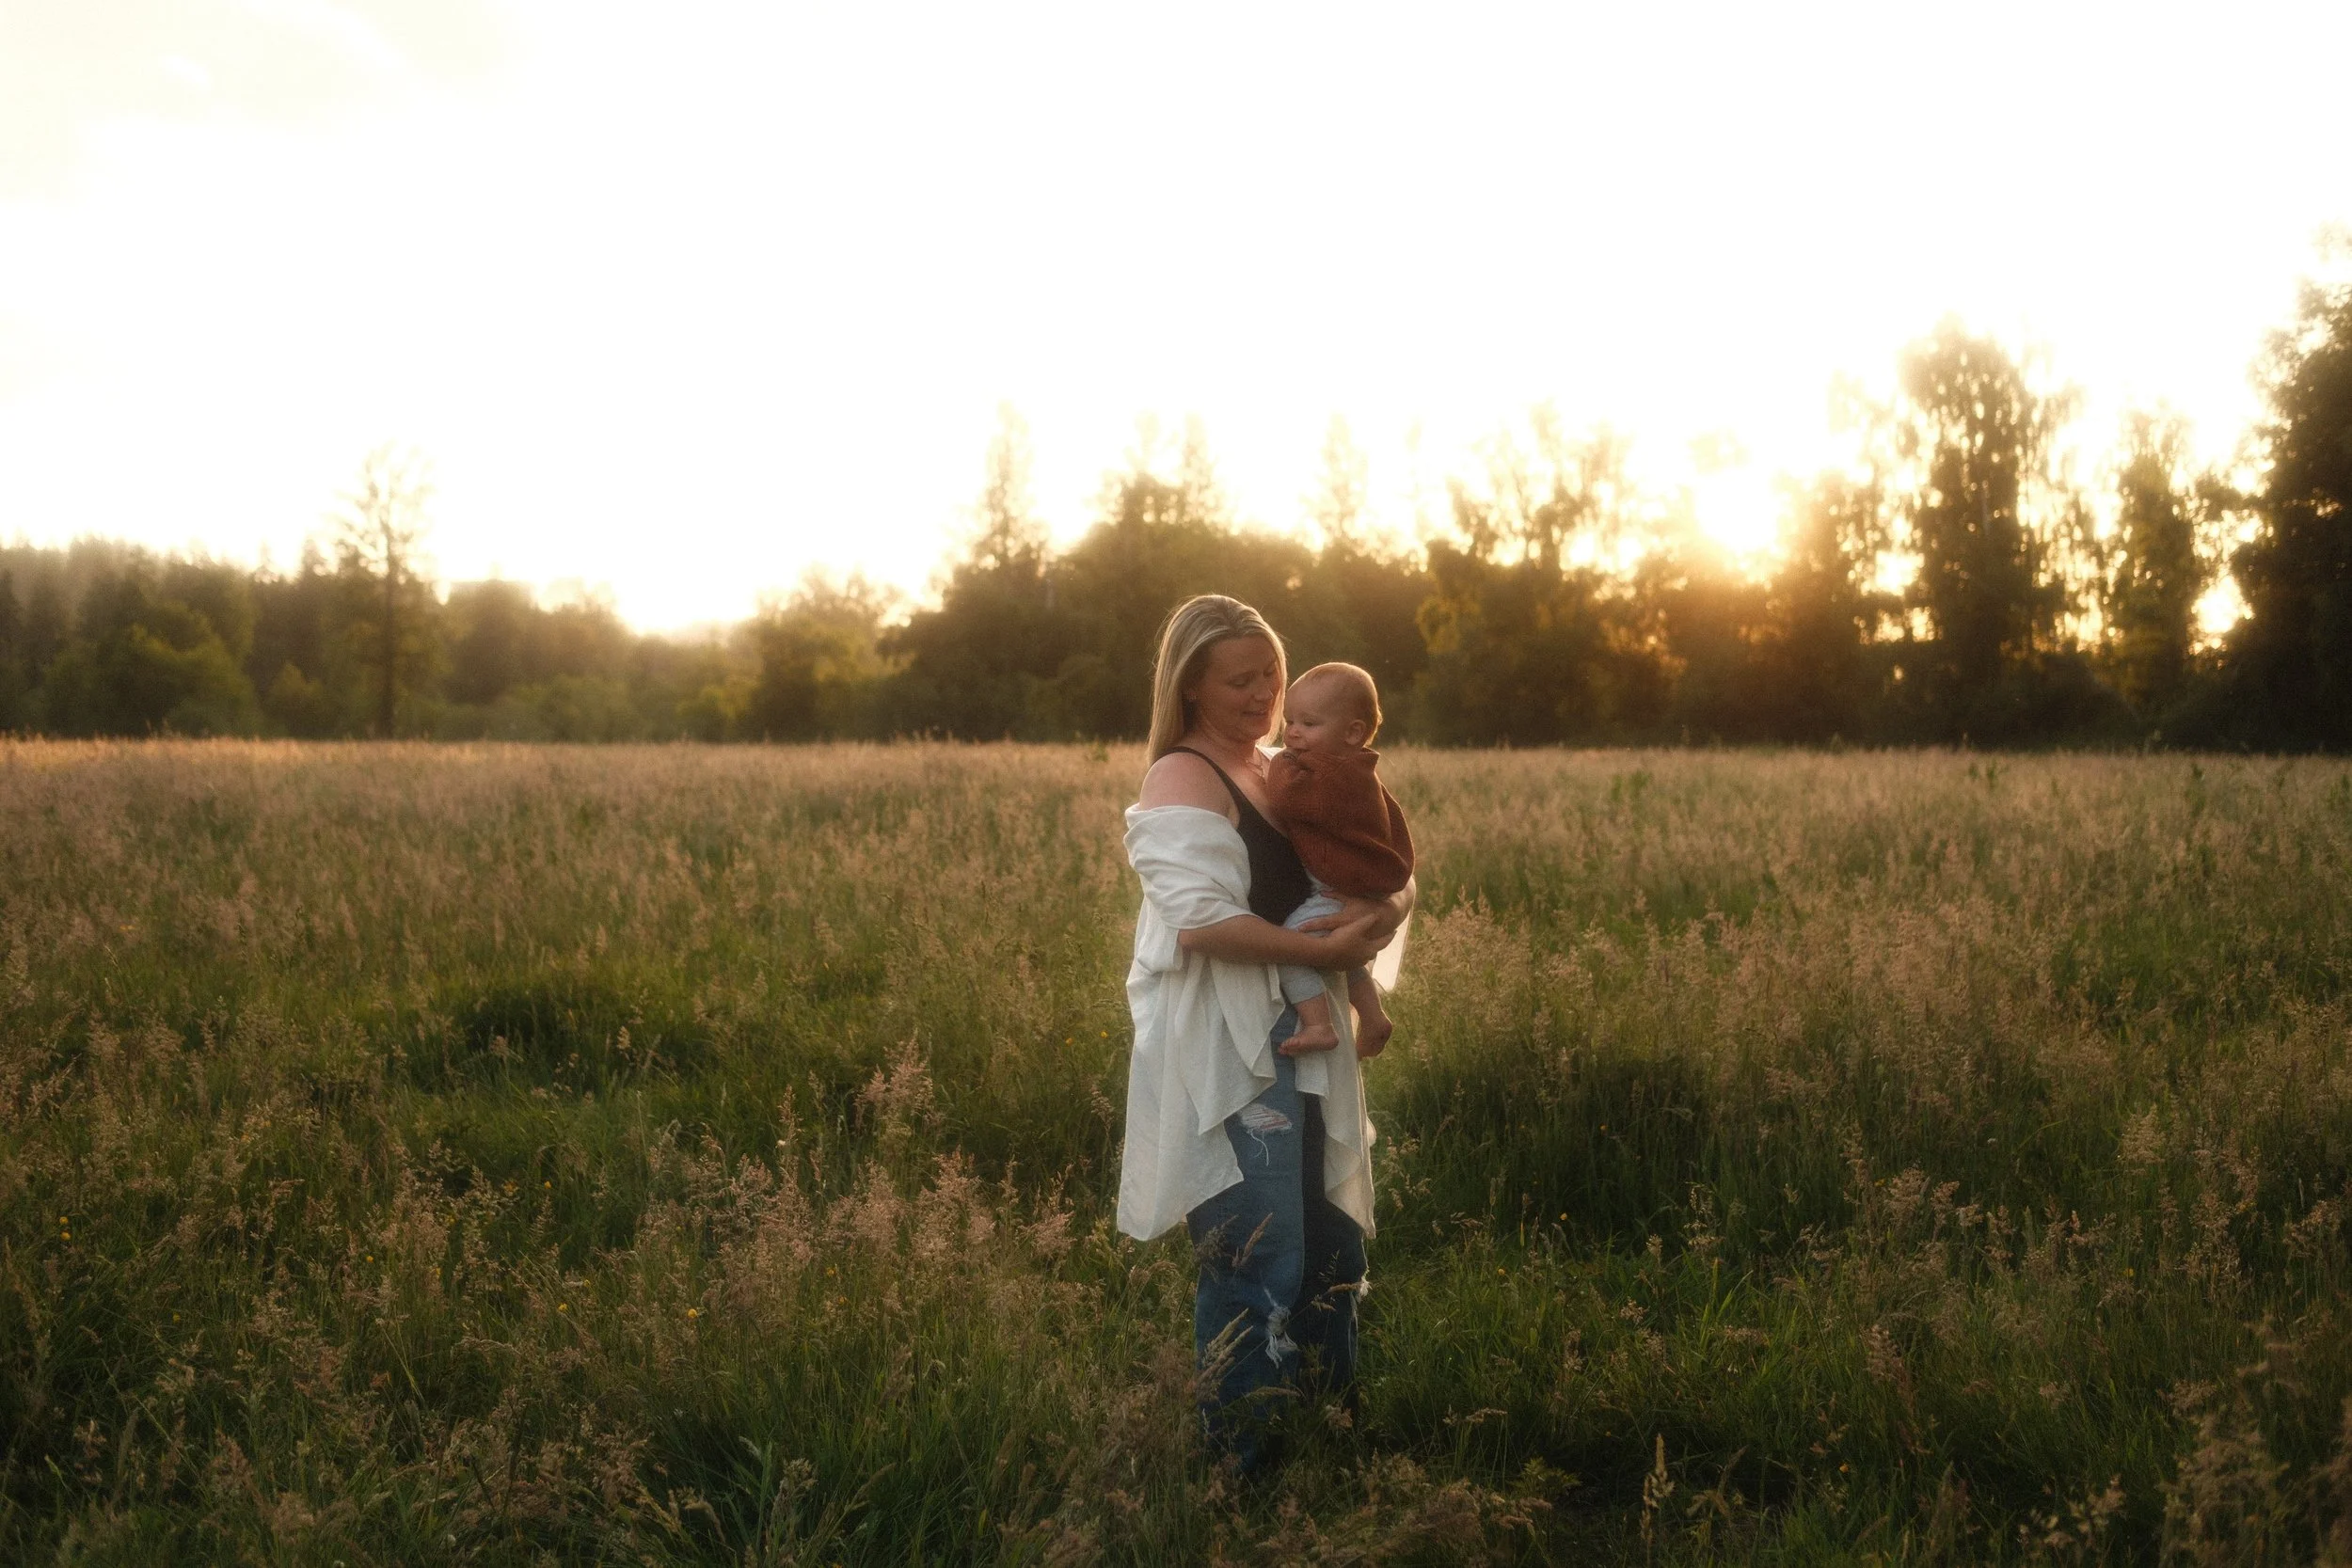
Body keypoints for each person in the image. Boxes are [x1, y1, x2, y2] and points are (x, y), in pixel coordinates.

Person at [1117, 594, 1413, 1473]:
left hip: (1305, 1036)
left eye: (1271, 676)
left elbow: (1370, 856)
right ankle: (1233, 1467)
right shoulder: (1184, 777)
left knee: (1331, 1244)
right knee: (1257, 1252)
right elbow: (1203, 924)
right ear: (1193, 687)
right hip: (1234, 1047)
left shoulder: (1281, 766)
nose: (1262, 694)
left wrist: (1379, 913)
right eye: (1240, 680)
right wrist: (1327, 945)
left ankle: (1332, 1432)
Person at [1262, 662, 1413, 1059]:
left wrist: (1278, 762)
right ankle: (1373, 1016)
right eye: (1290, 720)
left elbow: (1283, 796)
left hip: (1340, 888)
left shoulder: (1329, 777)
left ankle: (1319, 1024)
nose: (1292, 733)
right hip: (1351, 883)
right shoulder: (1357, 768)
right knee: (1339, 947)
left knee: (1293, 947)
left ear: (1352, 733)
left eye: (1309, 724)